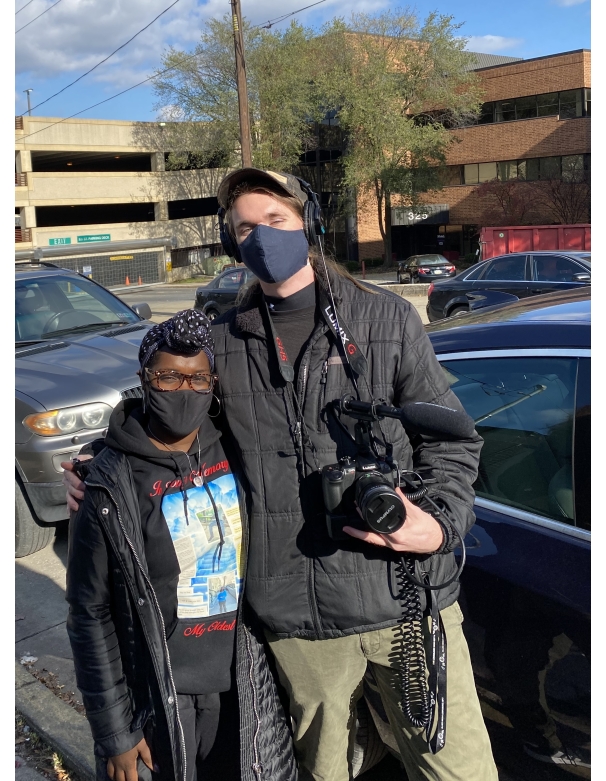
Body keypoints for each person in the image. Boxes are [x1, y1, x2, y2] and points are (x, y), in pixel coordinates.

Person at [66, 168, 498, 781]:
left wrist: (442, 524)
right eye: (246, 226)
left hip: (408, 598)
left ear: (308, 224)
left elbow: (453, 441)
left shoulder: (388, 320)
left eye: (276, 220)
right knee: (327, 771)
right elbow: (166, 416)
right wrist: (98, 465)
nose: (262, 236)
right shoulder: (221, 341)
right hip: (299, 622)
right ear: (230, 241)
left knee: (459, 770)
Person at [64, 309, 296, 781]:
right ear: (145, 380)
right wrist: (114, 733)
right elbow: (90, 613)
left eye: (198, 378)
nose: (184, 391)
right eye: (168, 377)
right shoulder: (111, 485)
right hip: (160, 697)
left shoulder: (236, 448)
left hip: (242, 687)